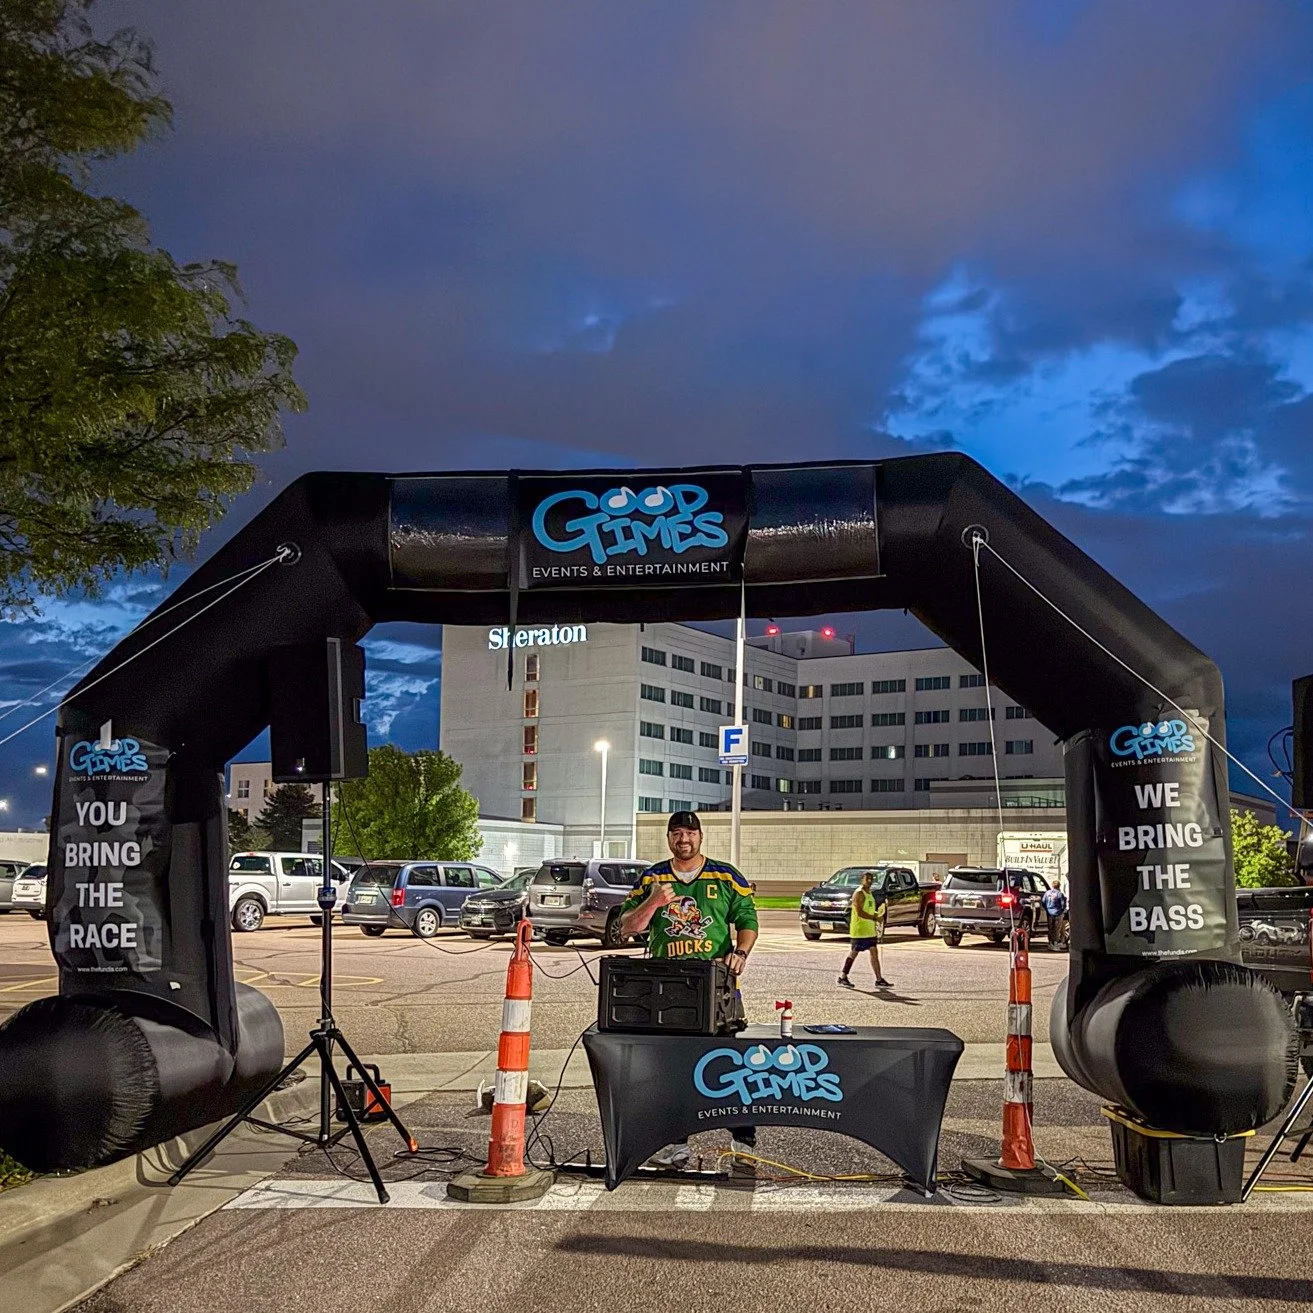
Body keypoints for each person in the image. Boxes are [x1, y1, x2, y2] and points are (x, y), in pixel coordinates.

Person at [618, 810, 759, 1170]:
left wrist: (740, 952)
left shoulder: (725, 876)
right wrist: (653, 901)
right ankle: (675, 1144)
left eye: (690, 833)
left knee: (730, 1065)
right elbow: (626, 928)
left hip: (717, 989)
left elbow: (748, 920)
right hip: (666, 990)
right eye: (677, 833)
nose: (684, 839)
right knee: (671, 1070)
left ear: (701, 837)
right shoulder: (653, 877)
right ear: (668, 838)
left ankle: (743, 1142)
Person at [837, 870, 890, 989]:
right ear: (862, 880)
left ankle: (879, 979)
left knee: (874, 952)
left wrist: (878, 915)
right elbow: (859, 912)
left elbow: (870, 910)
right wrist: (874, 917)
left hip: (869, 930)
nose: (870, 881)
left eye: (871, 879)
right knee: (854, 953)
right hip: (859, 930)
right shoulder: (859, 893)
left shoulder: (869, 893)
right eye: (867, 879)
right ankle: (843, 977)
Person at [1042, 878, 1068, 951]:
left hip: (1049, 912)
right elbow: (1063, 904)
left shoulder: (1047, 893)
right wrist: (1062, 911)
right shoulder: (1059, 894)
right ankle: (1055, 943)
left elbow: (1043, 902)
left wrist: (1047, 909)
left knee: (1050, 928)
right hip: (1058, 913)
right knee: (1056, 929)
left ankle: (1050, 942)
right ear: (1059, 886)